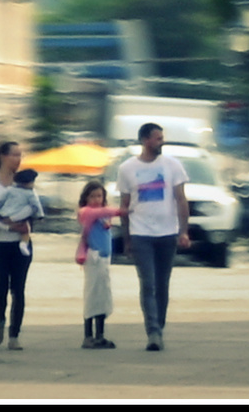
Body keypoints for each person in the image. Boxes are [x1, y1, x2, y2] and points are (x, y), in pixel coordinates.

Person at [117, 123, 190, 352]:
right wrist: (127, 238)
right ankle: (153, 332)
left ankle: (160, 325)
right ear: (145, 140)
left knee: (162, 284)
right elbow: (125, 205)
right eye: (158, 138)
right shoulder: (127, 168)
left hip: (167, 233)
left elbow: (181, 199)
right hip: (141, 234)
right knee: (147, 284)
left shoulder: (172, 166)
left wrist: (184, 230)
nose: (162, 142)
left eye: (162, 138)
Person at [0, 140, 43, 351]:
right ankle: (0, 319)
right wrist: (5, 227)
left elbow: (34, 207)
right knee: (0, 287)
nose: (18, 159)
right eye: (14, 155)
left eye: (20, 155)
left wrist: (25, 223)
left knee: (19, 289)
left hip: (20, 244)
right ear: (2, 157)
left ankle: (14, 334)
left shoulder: (24, 182)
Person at [76, 179, 129, 349]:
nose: (96, 199)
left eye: (99, 196)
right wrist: (124, 211)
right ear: (86, 198)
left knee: (103, 297)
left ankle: (100, 335)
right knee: (93, 295)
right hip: (94, 258)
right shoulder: (87, 212)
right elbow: (106, 212)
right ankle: (88, 335)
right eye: (92, 196)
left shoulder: (103, 215)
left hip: (104, 259)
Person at [0, 167, 43, 257]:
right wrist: (40, 215)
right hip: (19, 216)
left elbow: (2, 199)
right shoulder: (31, 193)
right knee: (25, 230)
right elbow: (36, 206)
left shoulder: (10, 189)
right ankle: (24, 244)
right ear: (28, 183)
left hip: (5, 212)